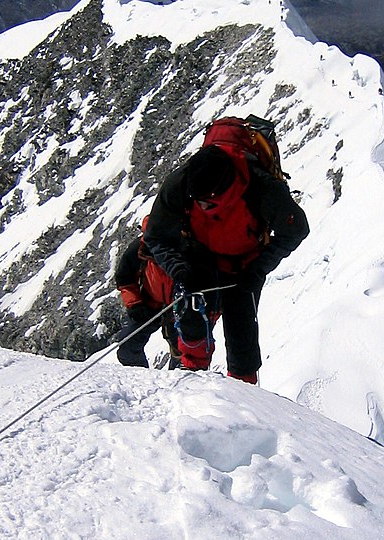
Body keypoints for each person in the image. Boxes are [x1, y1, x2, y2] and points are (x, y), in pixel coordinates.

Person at [113, 142, 309, 382]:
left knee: (241, 332)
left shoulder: (263, 188)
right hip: (198, 258)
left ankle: (245, 395)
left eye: (206, 202)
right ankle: (193, 381)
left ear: (223, 193)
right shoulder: (183, 182)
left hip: (245, 266)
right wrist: (179, 270)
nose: (199, 206)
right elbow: (155, 237)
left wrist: (258, 268)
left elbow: (296, 230)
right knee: (193, 318)